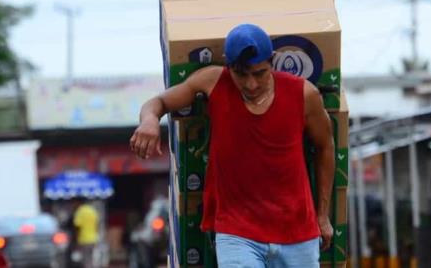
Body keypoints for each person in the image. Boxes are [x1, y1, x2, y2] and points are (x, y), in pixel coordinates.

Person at [130, 23, 335, 267]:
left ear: (272, 60)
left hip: (298, 233)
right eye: (241, 73)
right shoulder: (213, 81)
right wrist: (150, 121)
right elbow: (158, 102)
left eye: (259, 73)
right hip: (237, 233)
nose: (250, 84)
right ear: (228, 64)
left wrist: (323, 216)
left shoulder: (303, 94)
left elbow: (326, 148)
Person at [73, 200, 100, 268]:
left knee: (85, 258)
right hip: (93, 238)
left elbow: (77, 226)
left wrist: (76, 239)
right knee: (90, 257)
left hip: (84, 238)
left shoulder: (80, 211)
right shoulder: (93, 211)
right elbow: (97, 225)